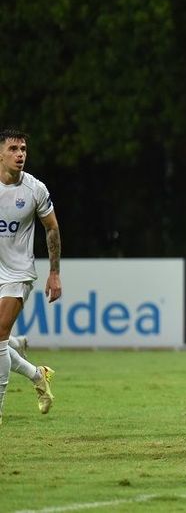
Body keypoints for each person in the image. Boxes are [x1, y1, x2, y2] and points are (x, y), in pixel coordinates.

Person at [0, 128, 60, 425]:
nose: (20, 153)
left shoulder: (35, 189)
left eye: (23, 148)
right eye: (13, 148)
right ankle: (37, 374)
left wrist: (54, 273)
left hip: (18, 272)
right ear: (1, 154)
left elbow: (51, 228)